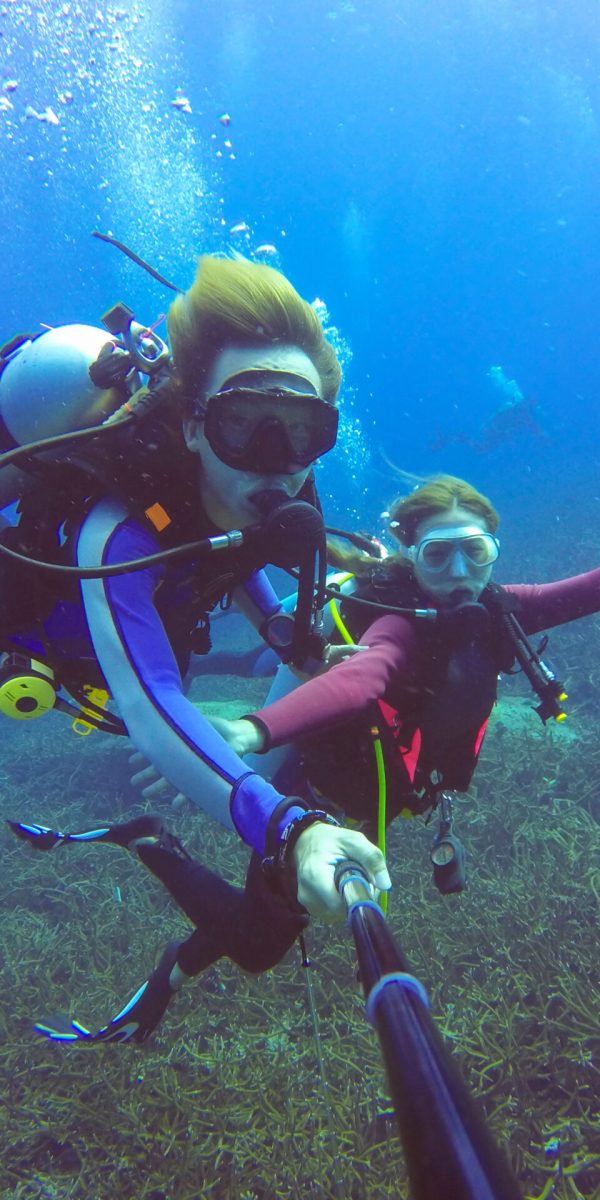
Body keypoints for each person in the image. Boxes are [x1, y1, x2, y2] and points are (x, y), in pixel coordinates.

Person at [5, 253, 389, 1044]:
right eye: (244, 423)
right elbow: (150, 708)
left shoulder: (278, 488)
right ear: (190, 425)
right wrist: (289, 827)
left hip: (153, 619)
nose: (279, 456)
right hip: (50, 637)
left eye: (304, 429)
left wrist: (289, 634)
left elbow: (238, 556)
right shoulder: (118, 530)